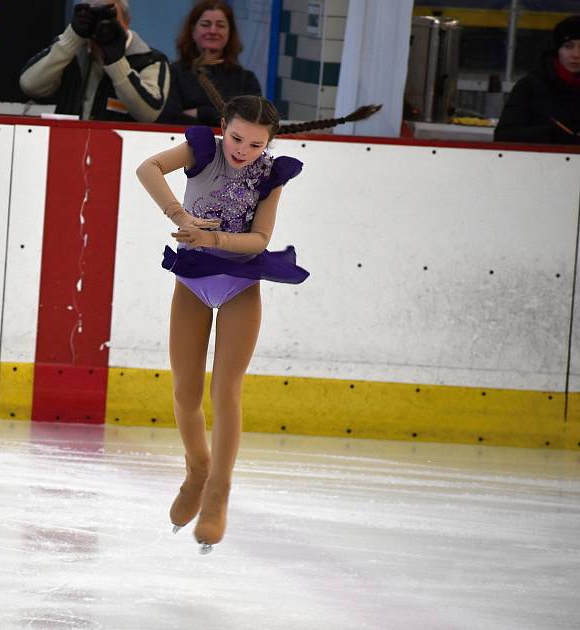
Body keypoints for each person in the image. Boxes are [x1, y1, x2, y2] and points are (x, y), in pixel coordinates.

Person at [137, 72, 380, 553]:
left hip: (239, 286)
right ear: (223, 125)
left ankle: (219, 494)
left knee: (225, 388)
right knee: (185, 393)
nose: (243, 150)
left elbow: (261, 240)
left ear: (269, 142)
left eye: (255, 143)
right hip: (191, 283)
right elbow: (147, 168)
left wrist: (212, 238)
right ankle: (197, 470)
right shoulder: (201, 149)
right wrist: (180, 218)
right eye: (237, 138)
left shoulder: (271, 175)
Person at [19, 1, 170, 123]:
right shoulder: (69, 55)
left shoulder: (149, 60)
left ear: (127, 21)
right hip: (68, 146)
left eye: (110, 18)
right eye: (94, 18)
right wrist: (73, 36)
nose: (102, 25)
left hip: (122, 154)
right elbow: (30, 85)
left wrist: (116, 62)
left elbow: (148, 113)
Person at [159, 0, 262, 126]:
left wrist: (201, 113)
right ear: (192, 31)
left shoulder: (246, 80)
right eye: (205, 24)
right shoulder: (171, 73)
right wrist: (223, 119)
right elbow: (169, 118)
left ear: (230, 32)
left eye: (220, 25)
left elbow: (253, 121)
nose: (213, 31)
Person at [494, 15, 580, 145]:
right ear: (557, 50)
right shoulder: (530, 86)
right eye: (568, 46)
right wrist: (553, 135)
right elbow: (504, 135)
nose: (576, 55)